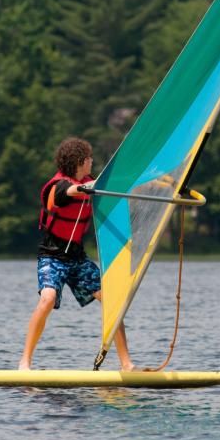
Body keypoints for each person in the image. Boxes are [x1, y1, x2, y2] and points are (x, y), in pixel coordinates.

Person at [18, 137, 134, 371]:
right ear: (80, 161)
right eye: (89, 158)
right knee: (48, 298)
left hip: (77, 258)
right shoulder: (58, 186)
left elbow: (115, 185)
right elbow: (68, 192)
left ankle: (127, 364)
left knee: (112, 301)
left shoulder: (91, 182)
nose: (92, 161)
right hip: (52, 256)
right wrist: (86, 188)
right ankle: (24, 363)